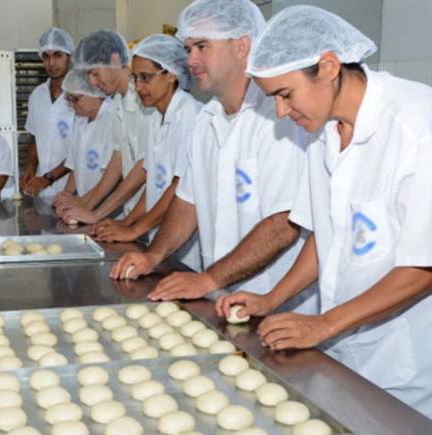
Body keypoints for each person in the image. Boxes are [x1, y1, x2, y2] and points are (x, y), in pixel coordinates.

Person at [215, 5, 432, 435]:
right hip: (353, 363)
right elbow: (326, 235)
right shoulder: (322, 131)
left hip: (422, 380)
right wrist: (271, 299)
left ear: (329, 67)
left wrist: (322, 324)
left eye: (285, 94)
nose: (282, 112)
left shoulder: (416, 123)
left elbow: (429, 268)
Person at [111, 0, 315, 315]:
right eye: (188, 47)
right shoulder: (206, 120)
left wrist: (208, 279)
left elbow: (282, 223)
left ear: (242, 47)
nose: (191, 60)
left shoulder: (279, 118)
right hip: (221, 298)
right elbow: (187, 201)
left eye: (202, 46)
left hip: (274, 306)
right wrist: (153, 255)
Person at [91, 34, 202, 271]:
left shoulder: (190, 117)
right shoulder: (156, 117)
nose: (138, 87)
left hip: (184, 246)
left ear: (171, 74)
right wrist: (126, 222)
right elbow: (154, 184)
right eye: (135, 78)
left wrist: (134, 229)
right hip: (157, 239)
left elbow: (177, 188)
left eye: (146, 77)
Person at [53, 29, 152, 224]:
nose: (92, 82)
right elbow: (117, 160)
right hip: (134, 213)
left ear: (115, 60)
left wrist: (96, 213)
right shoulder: (118, 101)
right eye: (87, 74)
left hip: (148, 213)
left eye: (95, 73)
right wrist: (85, 203)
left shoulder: (145, 100)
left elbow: (144, 167)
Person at [20, 27, 76, 198]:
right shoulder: (37, 95)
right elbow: (34, 136)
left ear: (70, 56)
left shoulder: (82, 95)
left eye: (58, 55)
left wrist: (49, 178)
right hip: (42, 188)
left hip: (73, 188)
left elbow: (81, 148)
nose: (51, 63)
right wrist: (30, 166)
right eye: (46, 56)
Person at [59, 69, 114, 200]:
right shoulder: (80, 119)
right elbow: (75, 168)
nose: (71, 105)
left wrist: (83, 203)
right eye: (68, 99)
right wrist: (65, 196)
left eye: (75, 99)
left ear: (94, 93)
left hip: (108, 210)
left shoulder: (112, 119)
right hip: (85, 206)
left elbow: (112, 177)